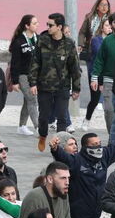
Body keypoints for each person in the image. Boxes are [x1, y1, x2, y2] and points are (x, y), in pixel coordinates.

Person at [30, 13, 80, 152]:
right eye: (48, 24)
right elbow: (35, 63)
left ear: (59, 27)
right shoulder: (42, 40)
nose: (48, 27)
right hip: (44, 85)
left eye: (51, 25)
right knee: (44, 116)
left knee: (62, 116)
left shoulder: (69, 44)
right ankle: (43, 135)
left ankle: (60, 143)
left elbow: (74, 67)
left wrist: (76, 88)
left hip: (62, 86)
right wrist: (32, 83)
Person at [91, 13, 115, 138]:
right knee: (109, 110)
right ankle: (112, 134)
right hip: (109, 81)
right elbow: (99, 60)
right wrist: (95, 77)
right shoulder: (108, 41)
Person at [9, 14, 40, 136]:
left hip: (35, 75)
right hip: (23, 75)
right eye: (34, 23)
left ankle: (21, 126)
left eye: (37, 23)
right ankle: (38, 127)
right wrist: (15, 81)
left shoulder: (38, 38)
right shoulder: (19, 41)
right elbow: (15, 63)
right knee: (32, 99)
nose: (37, 25)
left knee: (28, 101)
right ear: (27, 26)